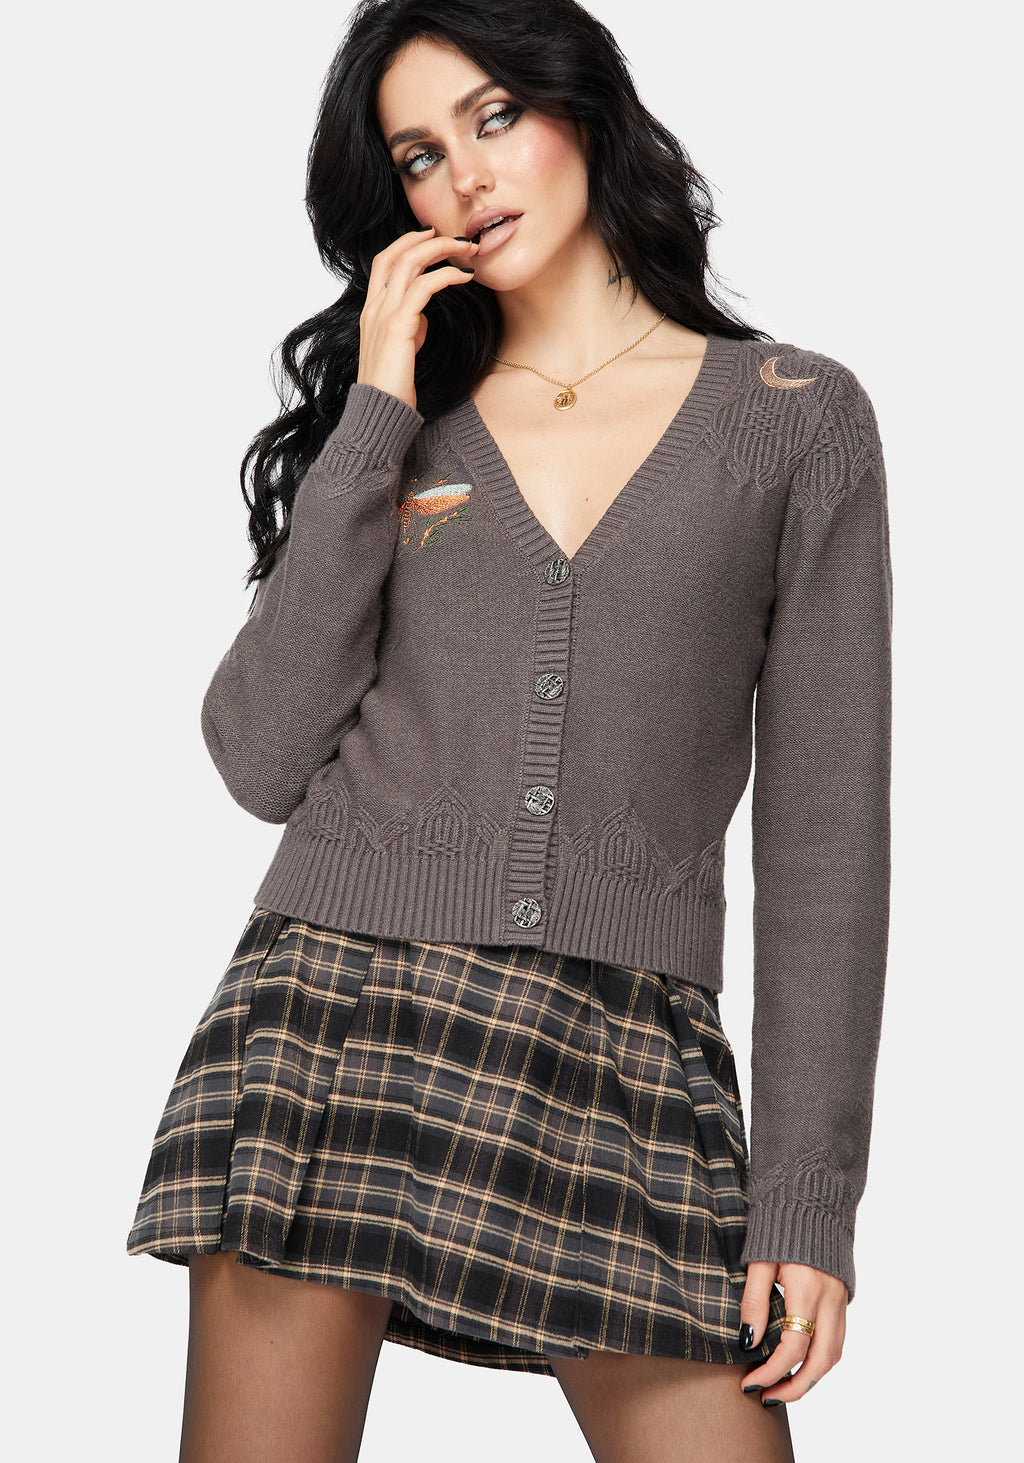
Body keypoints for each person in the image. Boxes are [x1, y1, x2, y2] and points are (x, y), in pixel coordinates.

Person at [126, 1, 893, 1459]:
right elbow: (259, 755)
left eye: (494, 118)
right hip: (336, 1019)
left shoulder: (794, 419)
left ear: (581, 108)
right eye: (420, 155)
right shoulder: (403, 420)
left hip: (628, 1048)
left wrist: (808, 1200)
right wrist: (373, 407)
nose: (466, 177)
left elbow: (827, 836)